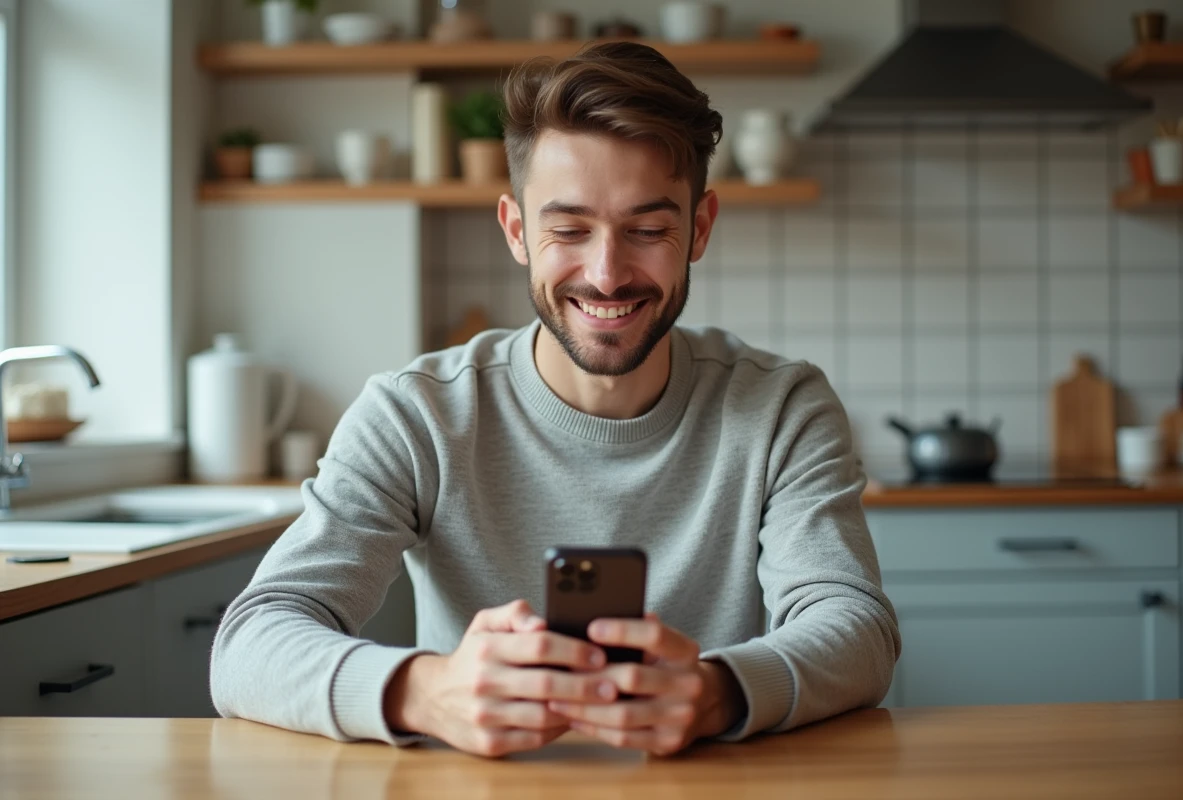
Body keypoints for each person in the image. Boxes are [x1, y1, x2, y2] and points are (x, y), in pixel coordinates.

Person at [210, 41, 900, 758]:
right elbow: (249, 643)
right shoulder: (415, 415)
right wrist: (426, 691)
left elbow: (857, 627)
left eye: (648, 230)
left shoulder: (784, 407)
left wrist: (717, 692)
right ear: (517, 231)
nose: (606, 274)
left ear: (698, 228)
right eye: (569, 229)